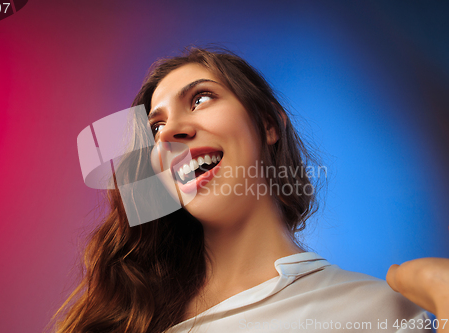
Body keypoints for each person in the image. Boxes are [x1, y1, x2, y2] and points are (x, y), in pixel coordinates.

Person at [52, 48, 434, 333]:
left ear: (267, 124)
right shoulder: (129, 312)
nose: (168, 134)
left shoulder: (381, 313)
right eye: (156, 128)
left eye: (200, 99)